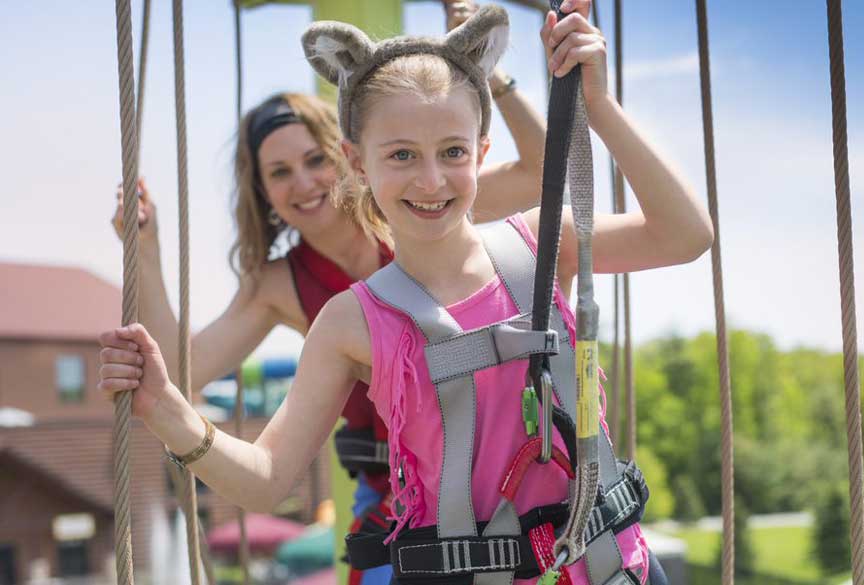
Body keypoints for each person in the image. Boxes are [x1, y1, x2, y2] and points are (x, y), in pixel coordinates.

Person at [99, 3, 712, 583]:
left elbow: (685, 235)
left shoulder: (543, 244)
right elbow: (266, 477)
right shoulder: (345, 321)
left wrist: (597, 104)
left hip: (608, 565)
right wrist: (169, 413)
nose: (430, 180)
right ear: (358, 163)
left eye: (453, 152)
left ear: (480, 153)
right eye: (400, 156)